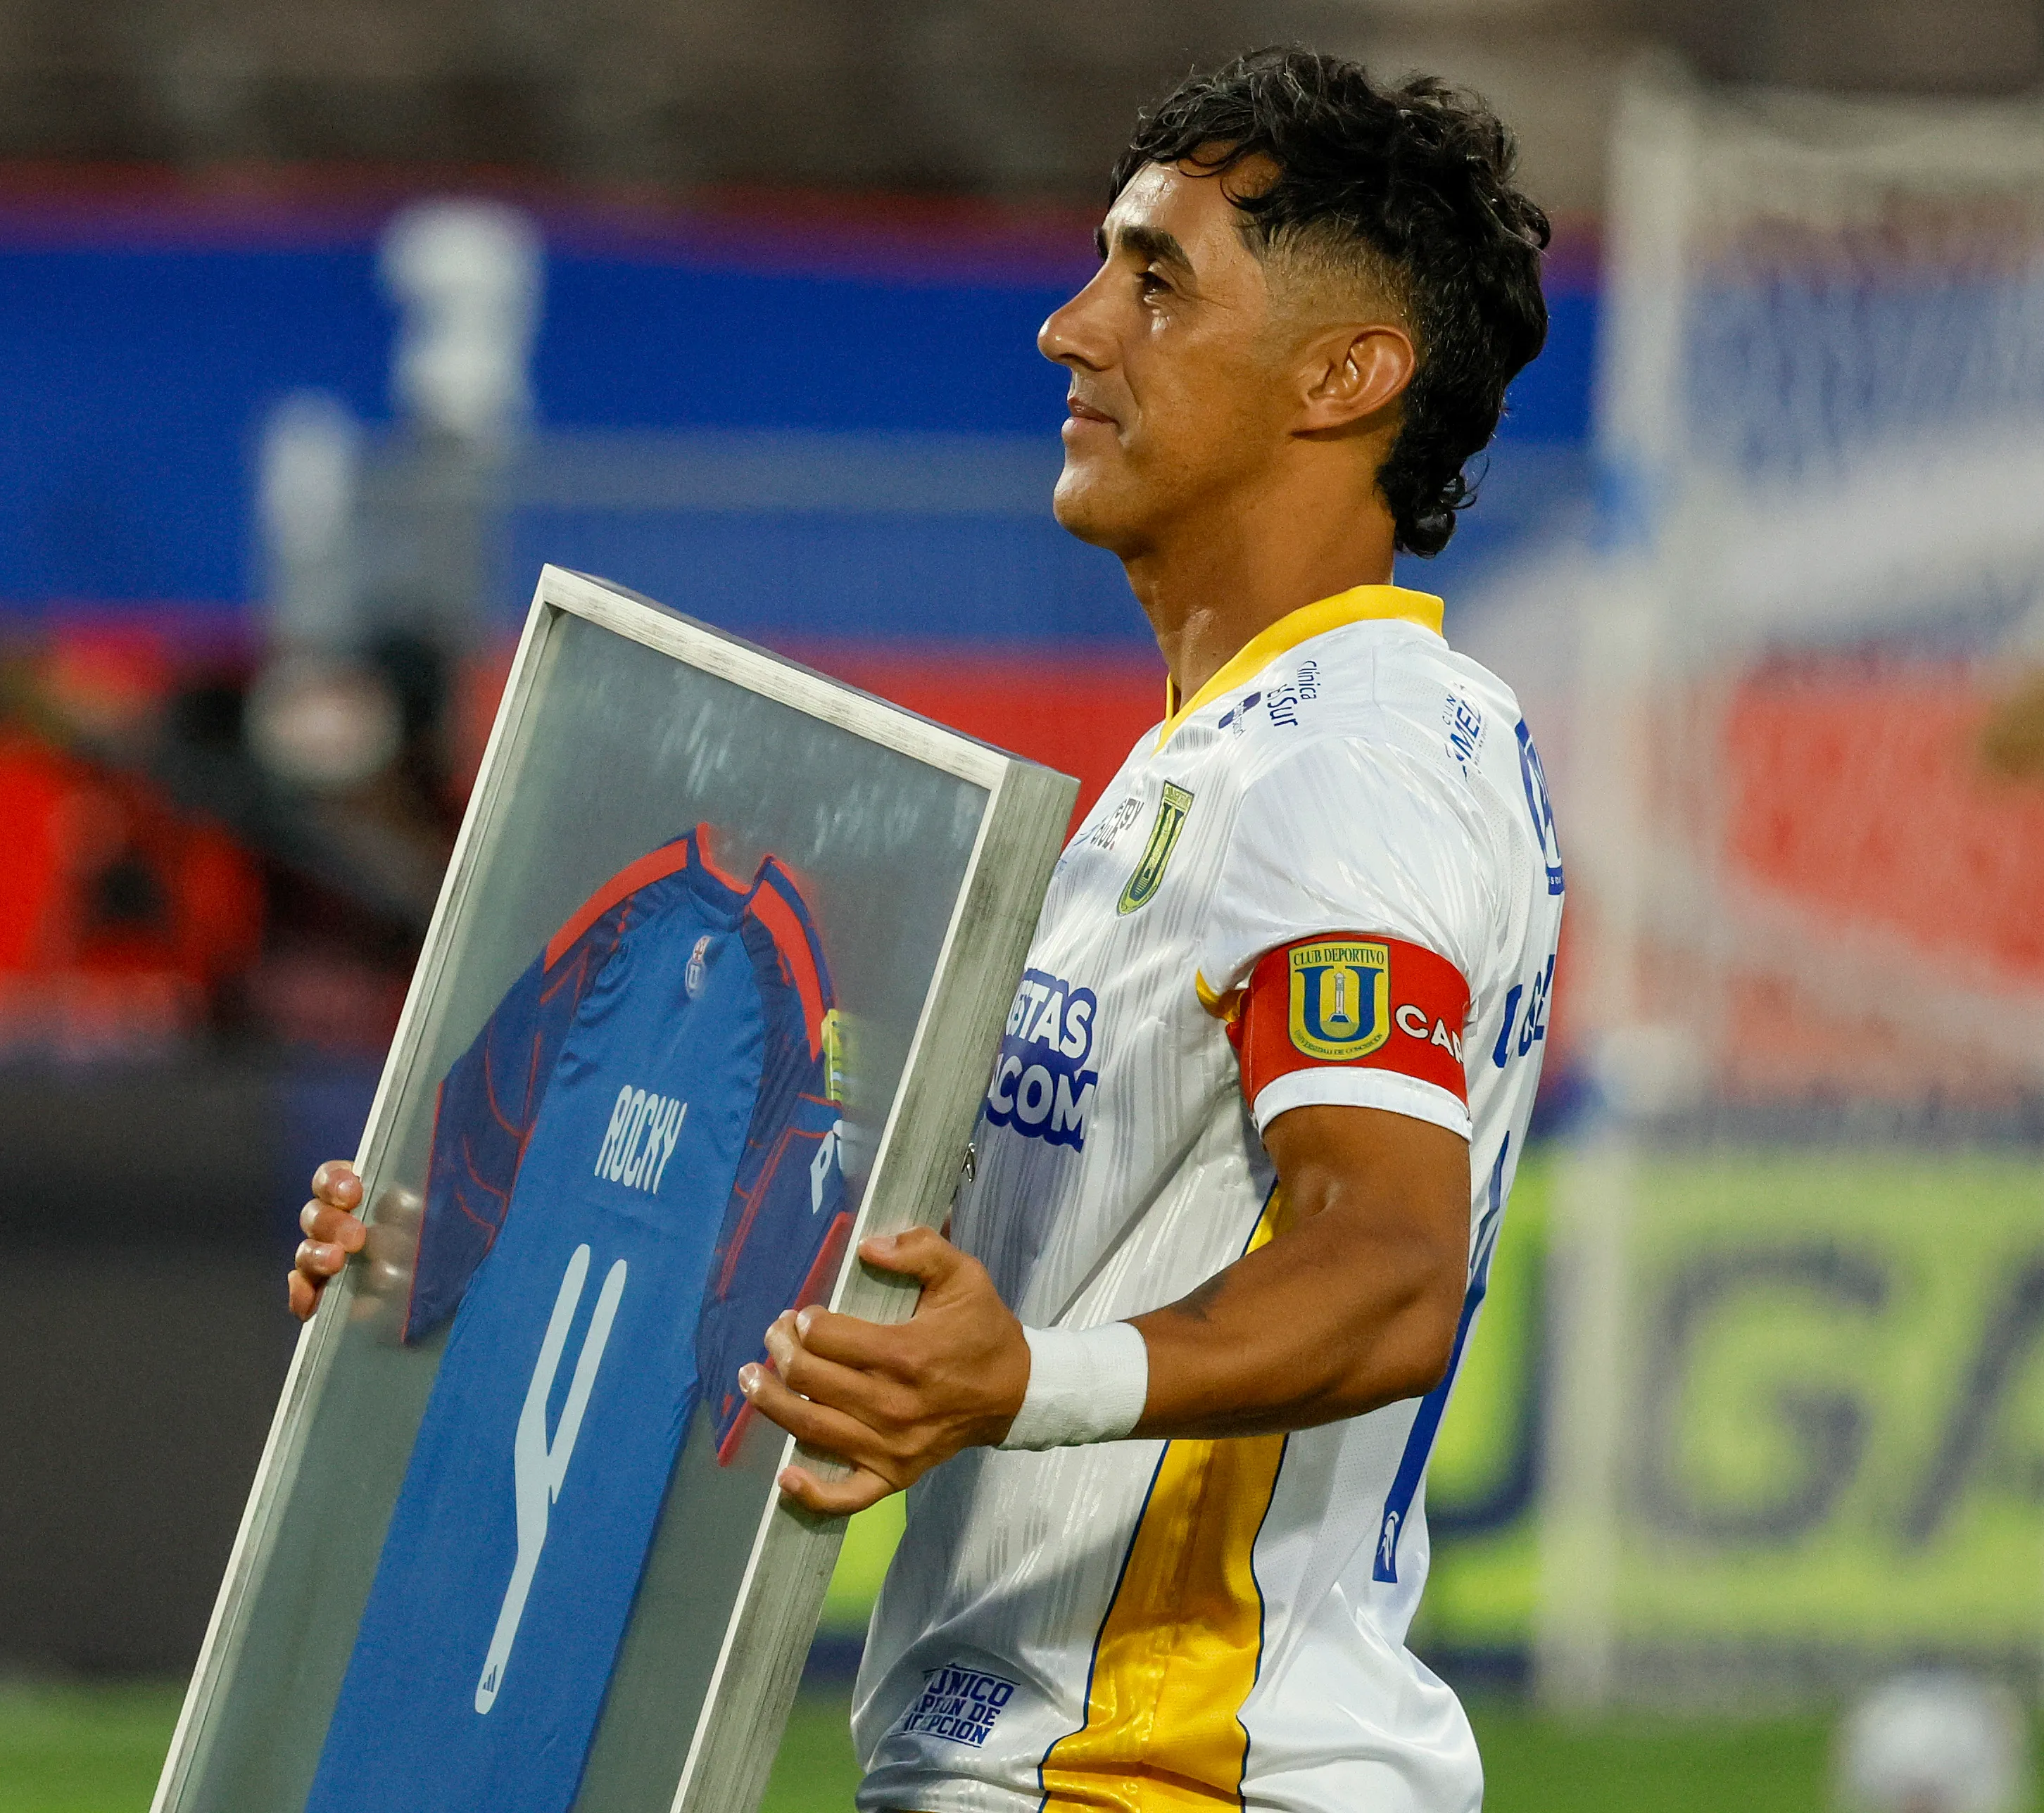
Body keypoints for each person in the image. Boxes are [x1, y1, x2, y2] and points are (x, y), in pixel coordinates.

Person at [291, 45, 1560, 1812]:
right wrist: (495, 1254)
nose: (1070, 327)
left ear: (1346, 376)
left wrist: (1023, 1379)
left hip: (1173, 1773)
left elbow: (1390, 1263)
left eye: (1155, 276)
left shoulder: (1349, 767)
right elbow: (974, 1297)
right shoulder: (1208, 766)